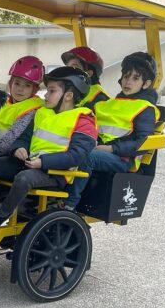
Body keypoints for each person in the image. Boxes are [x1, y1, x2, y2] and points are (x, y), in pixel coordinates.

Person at [0, 66, 97, 233]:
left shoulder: (84, 120)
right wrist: (17, 149)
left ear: (68, 96)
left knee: (24, 178)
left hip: (56, 174)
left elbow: (76, 156)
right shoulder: (42, 113)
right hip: (30, 164)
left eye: (51, 91)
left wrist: (43, 162)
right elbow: (24, 138)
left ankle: (0, 216)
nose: (46, 95)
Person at [63, 52, 159, 209]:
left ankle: (68, 203)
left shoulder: (145, 109)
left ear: (146, 83)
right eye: (126, 76)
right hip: (98, 149)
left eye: (135, 78)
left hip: (123, 159)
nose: (128, 81)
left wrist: (111, 148)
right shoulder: (107, 103)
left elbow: (142, 142)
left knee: (87, 156)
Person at [0, 56, 45, 155]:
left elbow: (11, 138)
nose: (20, 89)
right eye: (17, 83)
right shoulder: (3, 102)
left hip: (5, 154)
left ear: (35, 90)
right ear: (10, 84)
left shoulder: (31, 109)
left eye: (27, 85)